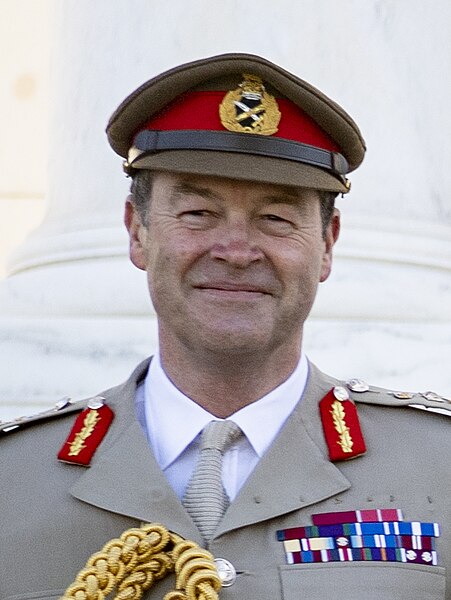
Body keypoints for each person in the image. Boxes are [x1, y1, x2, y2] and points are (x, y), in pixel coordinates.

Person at [1, 53, 450, 600]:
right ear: (137, 230)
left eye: (275, 219)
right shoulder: (13, 482)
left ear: (328, 244)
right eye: (197, 214)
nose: (237, 252)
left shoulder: (437, 471)